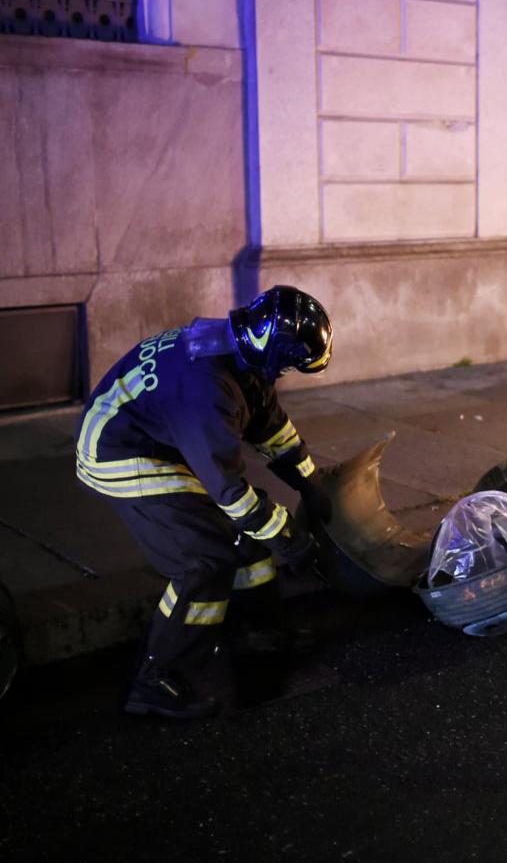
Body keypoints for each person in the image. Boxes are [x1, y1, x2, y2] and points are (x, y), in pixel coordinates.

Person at [75, 286, 333, 719]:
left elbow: (270, 427)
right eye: (289, 364)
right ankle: (155, 681)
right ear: (274, 353)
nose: (287, 372)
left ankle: (259, 632)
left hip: (159, 437)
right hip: (118, 454)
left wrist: (312, 482)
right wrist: (286, 537)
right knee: (204, 560)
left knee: (244, 542)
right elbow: (228, 489)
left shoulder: (240, 355)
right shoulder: (208, 388)